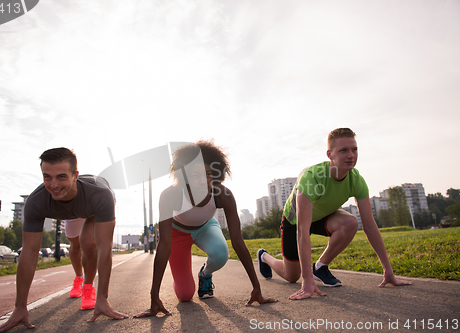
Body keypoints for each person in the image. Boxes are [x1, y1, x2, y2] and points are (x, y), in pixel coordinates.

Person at [257, 128, 412, 300]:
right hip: (295, 221)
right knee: (292, 276)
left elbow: (369, 225)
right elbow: (302, 230)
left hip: (324, 216)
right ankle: (264, 256)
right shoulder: (311, 178)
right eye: (343, 150)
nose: (351, 155)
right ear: (329, 154)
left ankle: (321, 266)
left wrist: (388, 270)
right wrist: (307, 280)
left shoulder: (356, 180)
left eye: (354, 149)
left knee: (351, 223)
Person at [134, 140, 277, 317]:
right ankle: (182, 281)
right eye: (195, 175)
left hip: (206, 227)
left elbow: (238, 242)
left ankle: (205, 274)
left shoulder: (223, 194)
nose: (203, 180)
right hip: (177, 233)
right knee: (185, 295)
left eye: (208, 174)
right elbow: (163, 245)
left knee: (220, 254)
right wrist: (153, 297)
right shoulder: (170, 195)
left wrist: (257, 287)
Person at [0, 148, 127, 333]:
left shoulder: (99, 194)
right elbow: (29, 253)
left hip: (92, 207)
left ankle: (89, 288)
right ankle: (78, 278)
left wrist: (103, 298)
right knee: (75, 243)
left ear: (75, 176)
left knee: (89, 242)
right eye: (47, 177)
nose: (53, 184)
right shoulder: (36, 202)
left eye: (61, 177)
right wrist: (19, 307)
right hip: (73, 210)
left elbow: (105, 247)